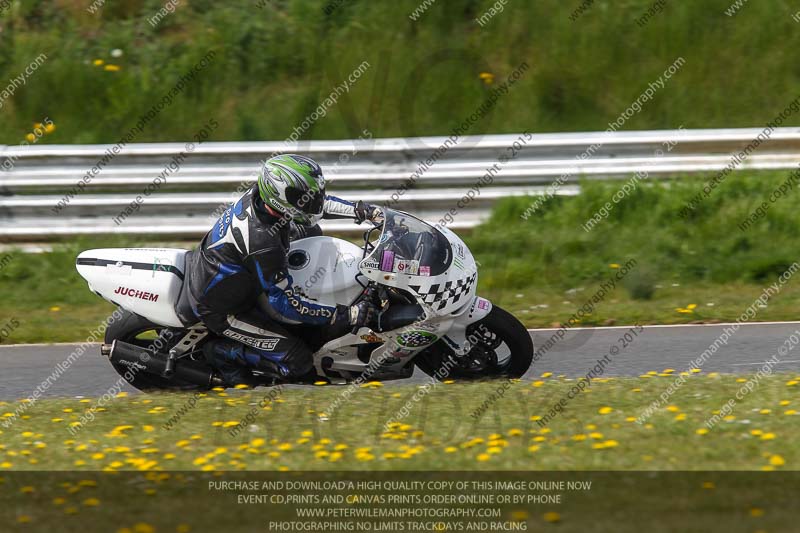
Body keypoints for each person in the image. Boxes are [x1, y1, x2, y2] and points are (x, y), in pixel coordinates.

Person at [185, 154, 383, 385]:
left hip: (236, 272)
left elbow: (315, 206)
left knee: (312, 231)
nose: (312, 201)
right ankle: (221, 353)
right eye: (302, 197)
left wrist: (365, 211)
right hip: (225, 310)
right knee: (298, 360)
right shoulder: (263, 243)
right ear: (280, 195)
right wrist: (345, 314)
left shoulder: (265, 198)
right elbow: (285, 304)